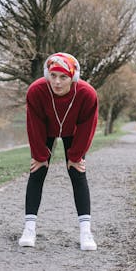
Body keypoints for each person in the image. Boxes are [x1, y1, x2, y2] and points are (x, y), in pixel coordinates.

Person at [18, 52, 99, 251]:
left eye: (63, 77)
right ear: (47, 74)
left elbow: (88, 126)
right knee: (37, 171)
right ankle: (29, 229)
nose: (57, 82)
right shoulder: (36, 91)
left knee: (78, 172)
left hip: (74, 130)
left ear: (73, 77)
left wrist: (75, 156)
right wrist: (40, 155)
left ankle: (85, 231)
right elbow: (34, 124)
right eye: (53, 75)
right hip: (46, 129)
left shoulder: (87, 94)